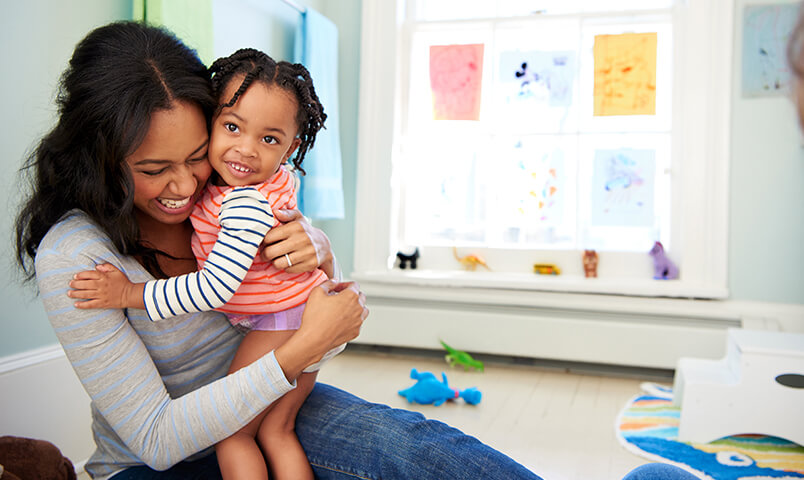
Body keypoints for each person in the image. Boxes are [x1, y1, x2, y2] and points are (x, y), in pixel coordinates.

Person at [13, 19, 702, 480]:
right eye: (152, 168)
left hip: (261, 391)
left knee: (416, 445)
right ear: (98, 155)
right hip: (158, 461)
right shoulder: (76, 256)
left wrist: (316, 249)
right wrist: (300, 348)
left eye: (197, 155)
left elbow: (285, 272)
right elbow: (159, 435)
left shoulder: (227, 186)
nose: (185, 183)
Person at [68, 47, 338, 480]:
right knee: (277, 432)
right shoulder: (261, 183)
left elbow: (215, 287)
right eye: (232, 127)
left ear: (291, 147)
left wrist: (128, 293)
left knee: (235, 439)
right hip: (297, 316)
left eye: (269, 140)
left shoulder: (243, 202)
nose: (245, 151)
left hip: (281, 323)